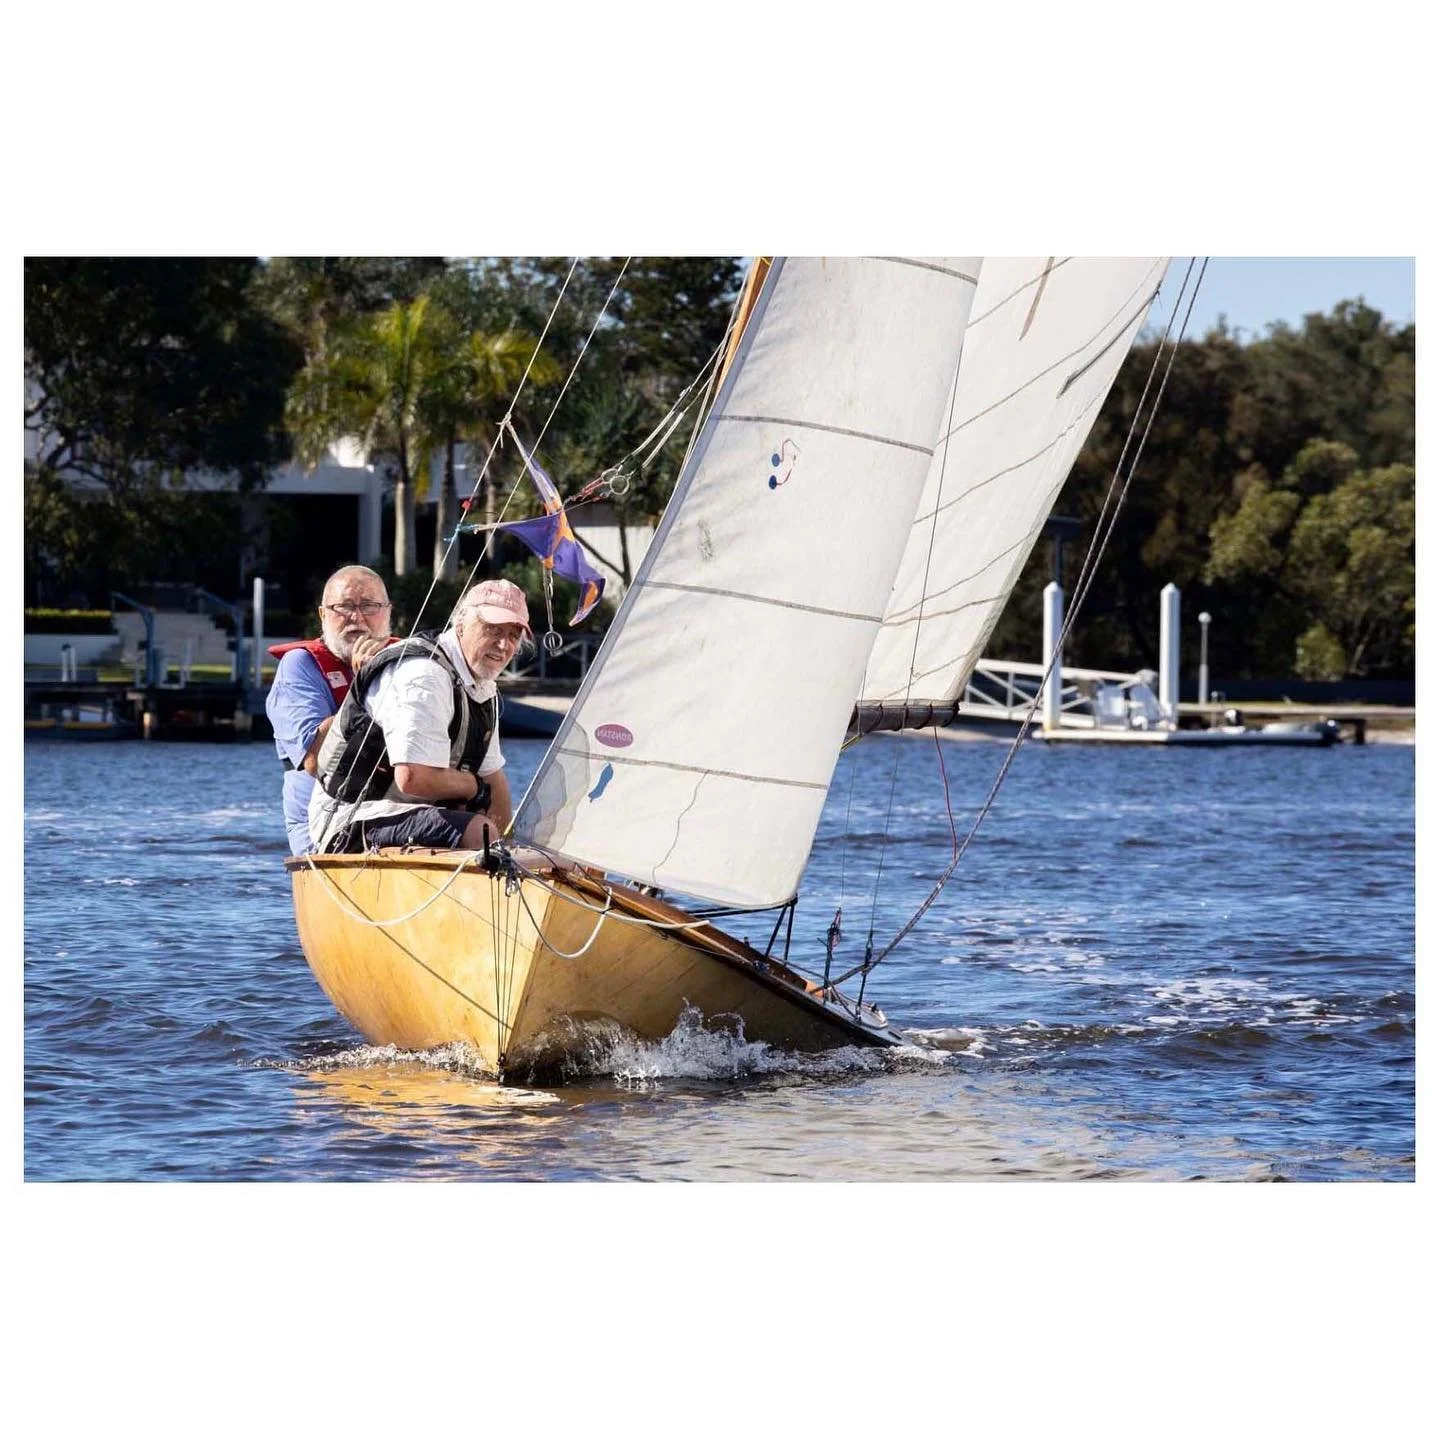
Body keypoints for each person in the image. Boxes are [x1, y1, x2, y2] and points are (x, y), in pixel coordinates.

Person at [308, 578, 532, 855]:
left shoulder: (483, 688)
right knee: (479, 830)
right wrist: (473, 787)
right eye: (492, 629)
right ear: (460, 624)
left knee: (518, 838)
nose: (503, 644)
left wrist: (508, 851)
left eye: (513, 635)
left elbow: (494, 778)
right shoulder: (423, 674)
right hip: (352, 821)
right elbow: (413, 777)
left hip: (413, 815)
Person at [265, 565, 393, 856]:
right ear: (323, 615)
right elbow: (316, 758)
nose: (357, 618)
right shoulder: (299, 667)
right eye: (344, 607)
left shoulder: (405, 662)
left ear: (388, 612)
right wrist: (365, 685)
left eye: (370, 606)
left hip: (397, 809)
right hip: (323, 829)